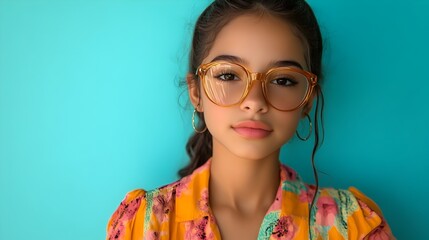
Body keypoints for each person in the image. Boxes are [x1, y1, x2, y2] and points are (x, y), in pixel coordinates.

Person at [106, 0, 395, 239]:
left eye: (282, 80)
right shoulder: (142, 225)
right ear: (196, 92)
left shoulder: (355, 227)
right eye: (229, 75)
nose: (255, 101)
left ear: (308, 99)